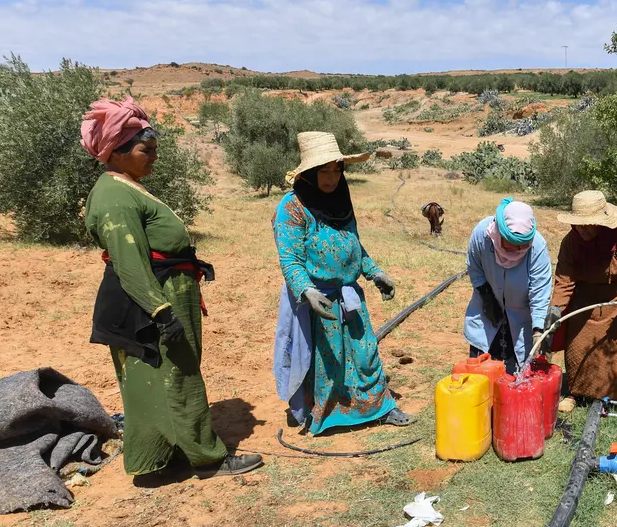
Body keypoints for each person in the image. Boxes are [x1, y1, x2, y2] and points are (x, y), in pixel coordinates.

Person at [81, 97, 261, 478]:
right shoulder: (115, 196)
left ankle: (169, 452)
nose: (154, 158)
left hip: (165, 290)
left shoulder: (126, 185)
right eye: (147, 151)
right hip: (151, 299)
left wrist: (191, 265)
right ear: (117, 151)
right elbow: (129, 262)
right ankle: (207, 458)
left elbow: (155, 245)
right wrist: (161, 312)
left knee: (165, 376)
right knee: (177, 375)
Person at [272, 131, 412, 435]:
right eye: (324, 171)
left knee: (365, 354)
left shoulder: (340, 199)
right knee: (328, 363)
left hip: (350, 297)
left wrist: (375, 272)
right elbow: (290, 258)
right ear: (309, 173)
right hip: (317, 300)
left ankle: (379, 408)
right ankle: (328, 415)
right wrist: (307, 291)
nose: (332, 177)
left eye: (337, 169)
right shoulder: (292, 207)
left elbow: (353, 245)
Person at [552, 191, 617, 412]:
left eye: (588, 224)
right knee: (579, 348)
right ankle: (577, 393)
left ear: (601, 223)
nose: (582, 229)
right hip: (585, 304)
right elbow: (564, 281)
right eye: (579, 224)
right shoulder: (571, 243)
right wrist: (555, 311)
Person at [463, 199, 555, 374]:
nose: (516, 250)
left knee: (517, 376)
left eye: (521, 247)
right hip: (487, 310)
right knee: (482, 372)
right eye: (510, 245)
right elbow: (474, 267)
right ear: (500, 233)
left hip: (521, 316)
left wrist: (537, 331)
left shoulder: (537, 246)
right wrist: (487, 298)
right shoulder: (482, 234)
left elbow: (540, 291)